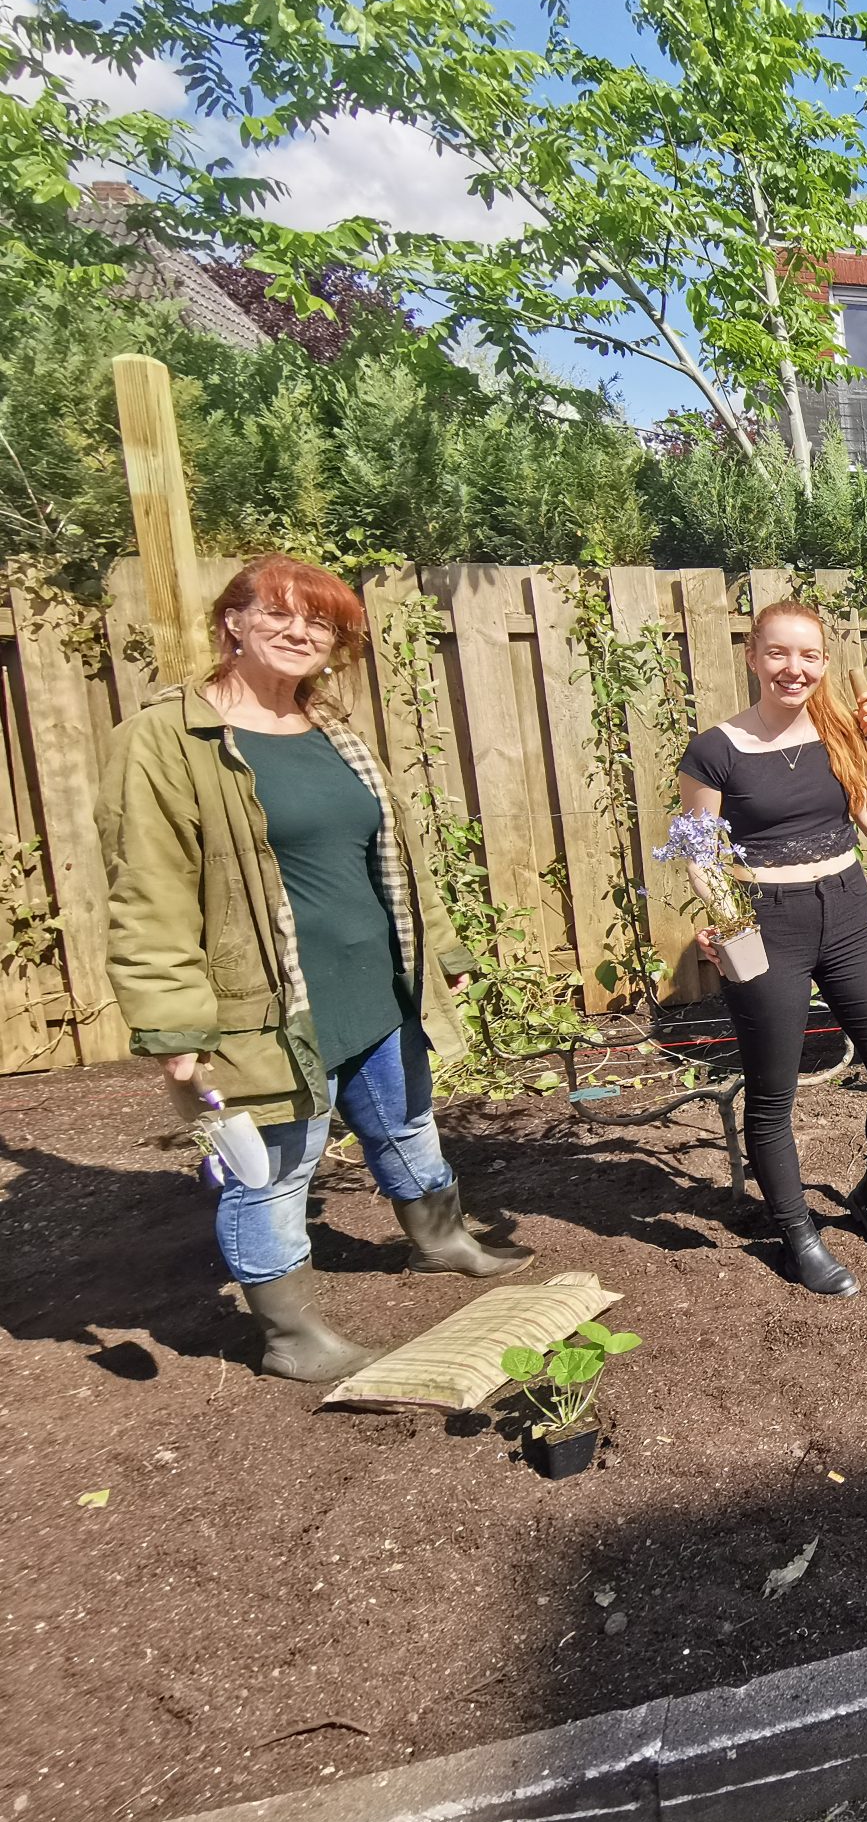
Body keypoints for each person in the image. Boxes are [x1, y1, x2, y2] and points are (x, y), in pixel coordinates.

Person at [98, 554, 521, 1384]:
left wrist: (445, 956)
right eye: (281, 616)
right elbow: (146, 889)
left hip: (375, 982)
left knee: (405, 1120)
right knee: (278, 1164)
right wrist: (173, 1021)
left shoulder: (332, 730)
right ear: (233, 622)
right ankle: (291, 1335)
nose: (301, 634)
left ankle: (442, 1242)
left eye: (321, 623)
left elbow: (395, 857)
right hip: (267, 1001)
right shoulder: (166, 740)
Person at [674, 601, 867, 1292]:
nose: (796, 669)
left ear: (823, 662)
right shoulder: (715, 750)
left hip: (845, 911)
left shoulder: (841, 731)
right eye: (779, 654)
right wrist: (727, 926)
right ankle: (796, 1234)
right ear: (753, 656)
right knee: (772, 1094)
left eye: (810, 656)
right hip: (763, 922)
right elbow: (700, 856)